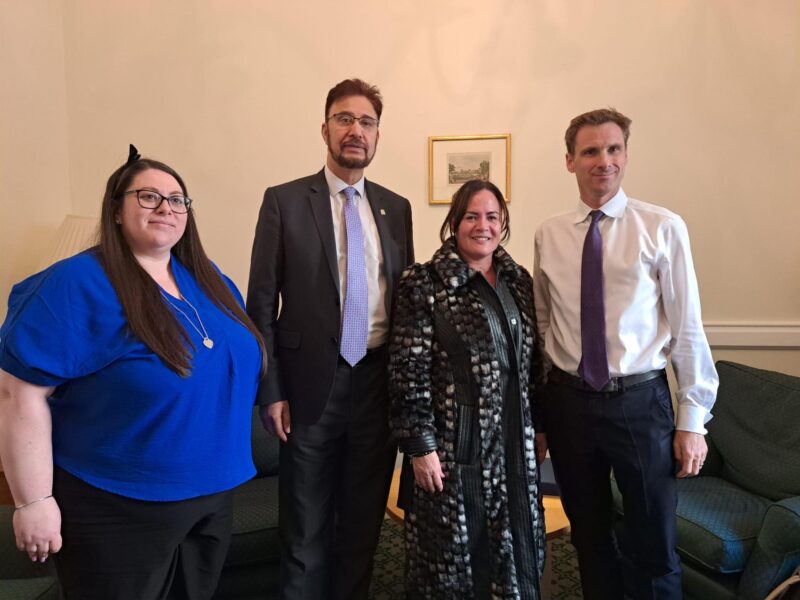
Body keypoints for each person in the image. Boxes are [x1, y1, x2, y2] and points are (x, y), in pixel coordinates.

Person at [0, 146, 265, 600]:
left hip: (211, 497)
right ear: (116, 210)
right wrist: (34, 501)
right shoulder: (75, 282)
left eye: (177, 199)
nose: (166, 207)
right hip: (117, 505)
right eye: (147, 196)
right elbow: (17, 395)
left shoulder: (208, 279)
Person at [533, 108, 719, 600]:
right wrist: (544, 416)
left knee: (654, 541)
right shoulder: (549, 234)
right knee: (590, 538)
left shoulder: (662, 227)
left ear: (626, 156)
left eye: (613, 149)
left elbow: (687, 329)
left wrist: (692, 421)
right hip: (570, 404)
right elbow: (545, 323)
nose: (604, 161)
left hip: (639, 404)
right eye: (591, 151)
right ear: (570, 161)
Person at [246, 78, 414, 600]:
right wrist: (271, 391)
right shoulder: (284, 201)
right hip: (308, 391)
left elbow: (404, 301)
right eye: (345, 119)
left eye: (366, 122)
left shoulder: (396, 207)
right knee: (304, 529)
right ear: (325, 128)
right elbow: (260, 305)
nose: (355, 130)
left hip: (376, 388)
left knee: (361, 529)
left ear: (378, 135)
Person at [388, 179, 546, 599]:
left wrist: (542, 428)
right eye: (472, 216)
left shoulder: (519, 283)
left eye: (492, 216)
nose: (483, 226)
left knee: (519, 552)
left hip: (515, 447)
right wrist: (420, 447)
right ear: (454, 223)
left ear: (503, 223)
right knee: (453, 564)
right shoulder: (424, 284)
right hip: (453, 453)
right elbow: (408, 368)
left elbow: (534, 367)